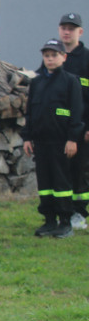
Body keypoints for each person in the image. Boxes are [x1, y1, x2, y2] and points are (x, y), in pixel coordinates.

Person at [21, 38, 84, 238]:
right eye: (46, 56)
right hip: (41, 141)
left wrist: (73, 138)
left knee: (61, 182)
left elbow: (76, 112)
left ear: (63, 57)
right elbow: (30, 111)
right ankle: (49, 220)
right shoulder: (37, 82)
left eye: (54, 55)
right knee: (45, 183)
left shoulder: (70, 81)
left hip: (61, 142)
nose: (50, 59)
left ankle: (65, 221)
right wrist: (27, 137)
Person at [58, 12, 89, 229]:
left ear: (80, 32)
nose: (67, 32)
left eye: (72, 28)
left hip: (82, 128)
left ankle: (80, 213)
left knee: (80, 170)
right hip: (58, 128)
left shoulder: (87, 58)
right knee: (62, 171)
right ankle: (64, 212)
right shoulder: (56, 57)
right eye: (64, 28)